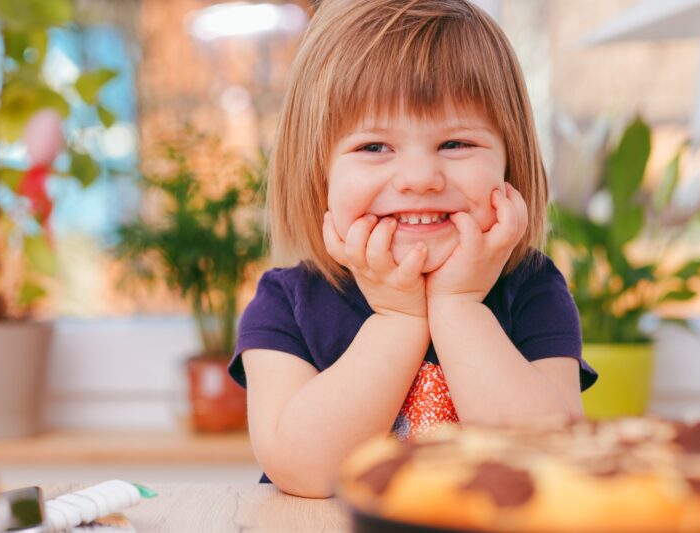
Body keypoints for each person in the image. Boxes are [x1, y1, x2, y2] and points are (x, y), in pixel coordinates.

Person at [227, 0, 598, 498]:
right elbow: (303, 470)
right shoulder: (286, 303)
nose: (421, 179)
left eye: (456, 144)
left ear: (510, 164)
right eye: (374, 147)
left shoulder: (533, 289)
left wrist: (459, 306)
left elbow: (549, 462)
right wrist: (397, 320)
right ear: (319, 174)